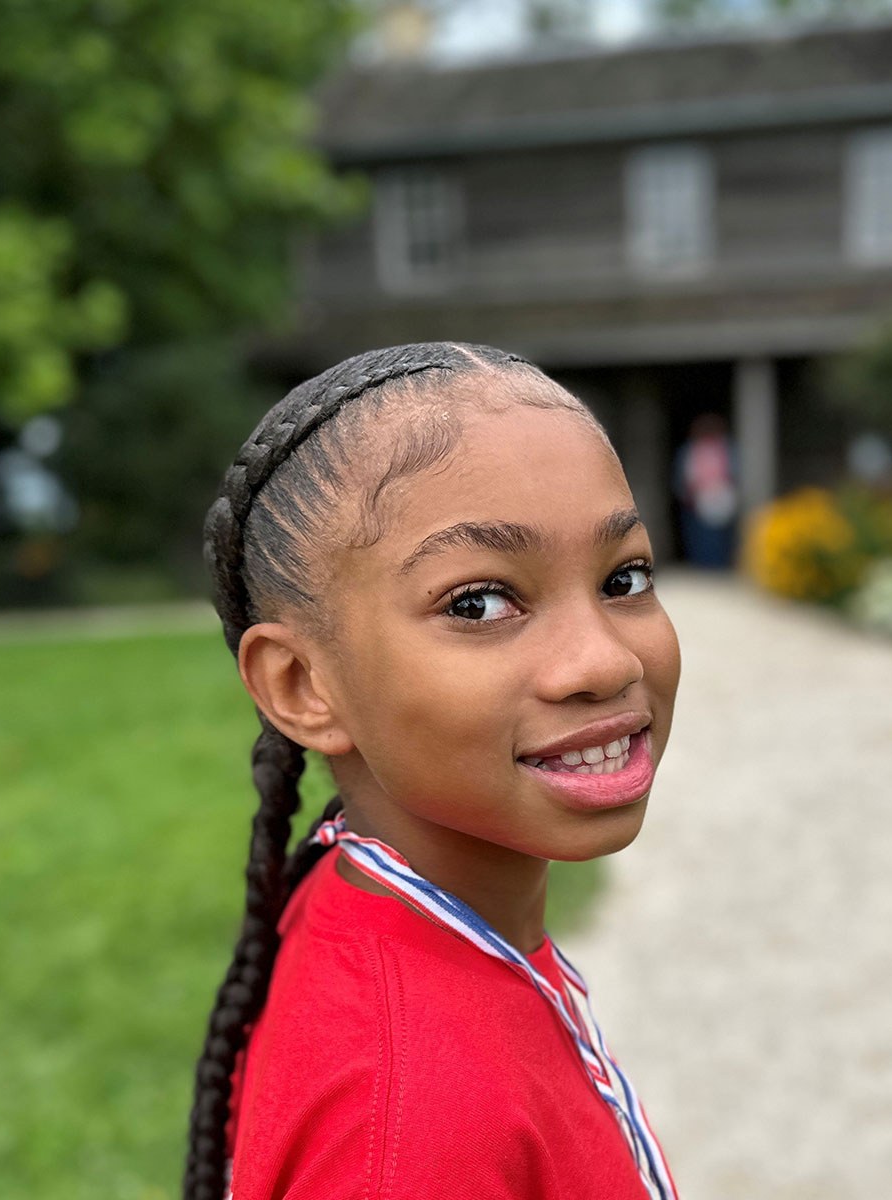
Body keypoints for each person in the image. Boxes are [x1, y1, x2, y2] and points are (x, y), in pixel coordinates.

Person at [185, 343, 683, 1200]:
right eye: (479, 603)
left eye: (623, 576)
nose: (601, 662)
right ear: (304, 686)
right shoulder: (412, 1124)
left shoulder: (359, 894)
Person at [672, 413, 738, 568]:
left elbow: (734, 473)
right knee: (698, 536)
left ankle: (719, 565)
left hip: (721, 498)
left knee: (719, 538)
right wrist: (685, 495)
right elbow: (682, 476)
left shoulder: (727, 449)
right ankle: (701, 565)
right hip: (695, 501)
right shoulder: (688, 450)